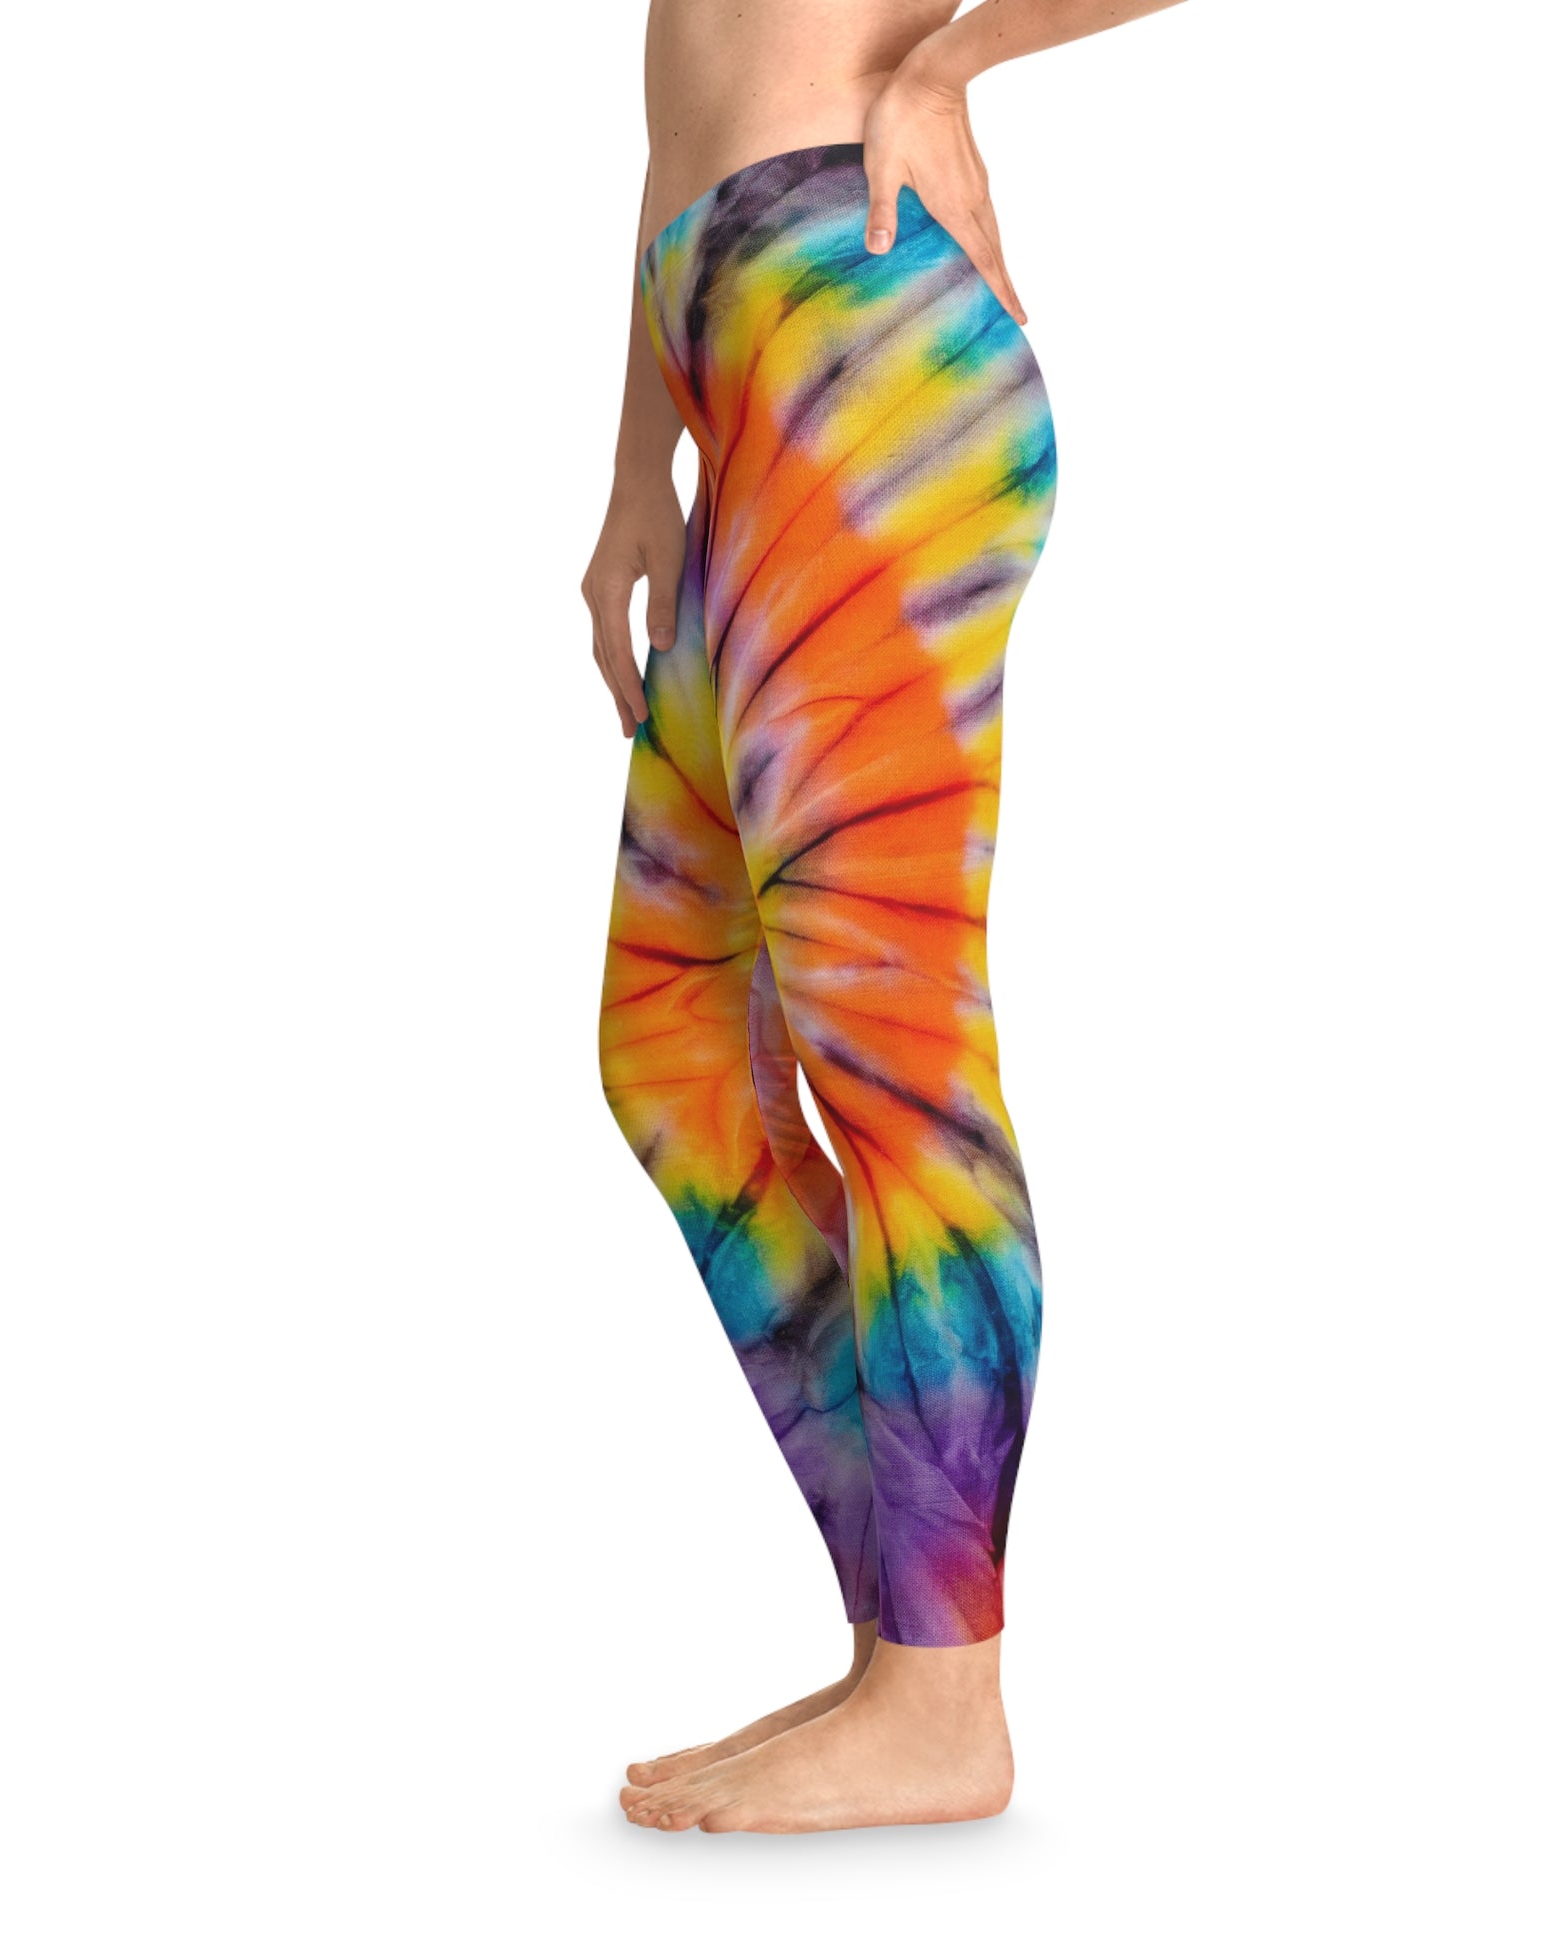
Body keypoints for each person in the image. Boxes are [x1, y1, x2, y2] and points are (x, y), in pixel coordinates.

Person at [588, 0, 1180, 1835]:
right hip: (736, 349)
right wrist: (640, 460)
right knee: (674, 1053)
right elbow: (685, 93)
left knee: (886, 1046)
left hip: (861, 331)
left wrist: (945, 65)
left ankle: (943, 1697)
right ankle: (896, 1636)